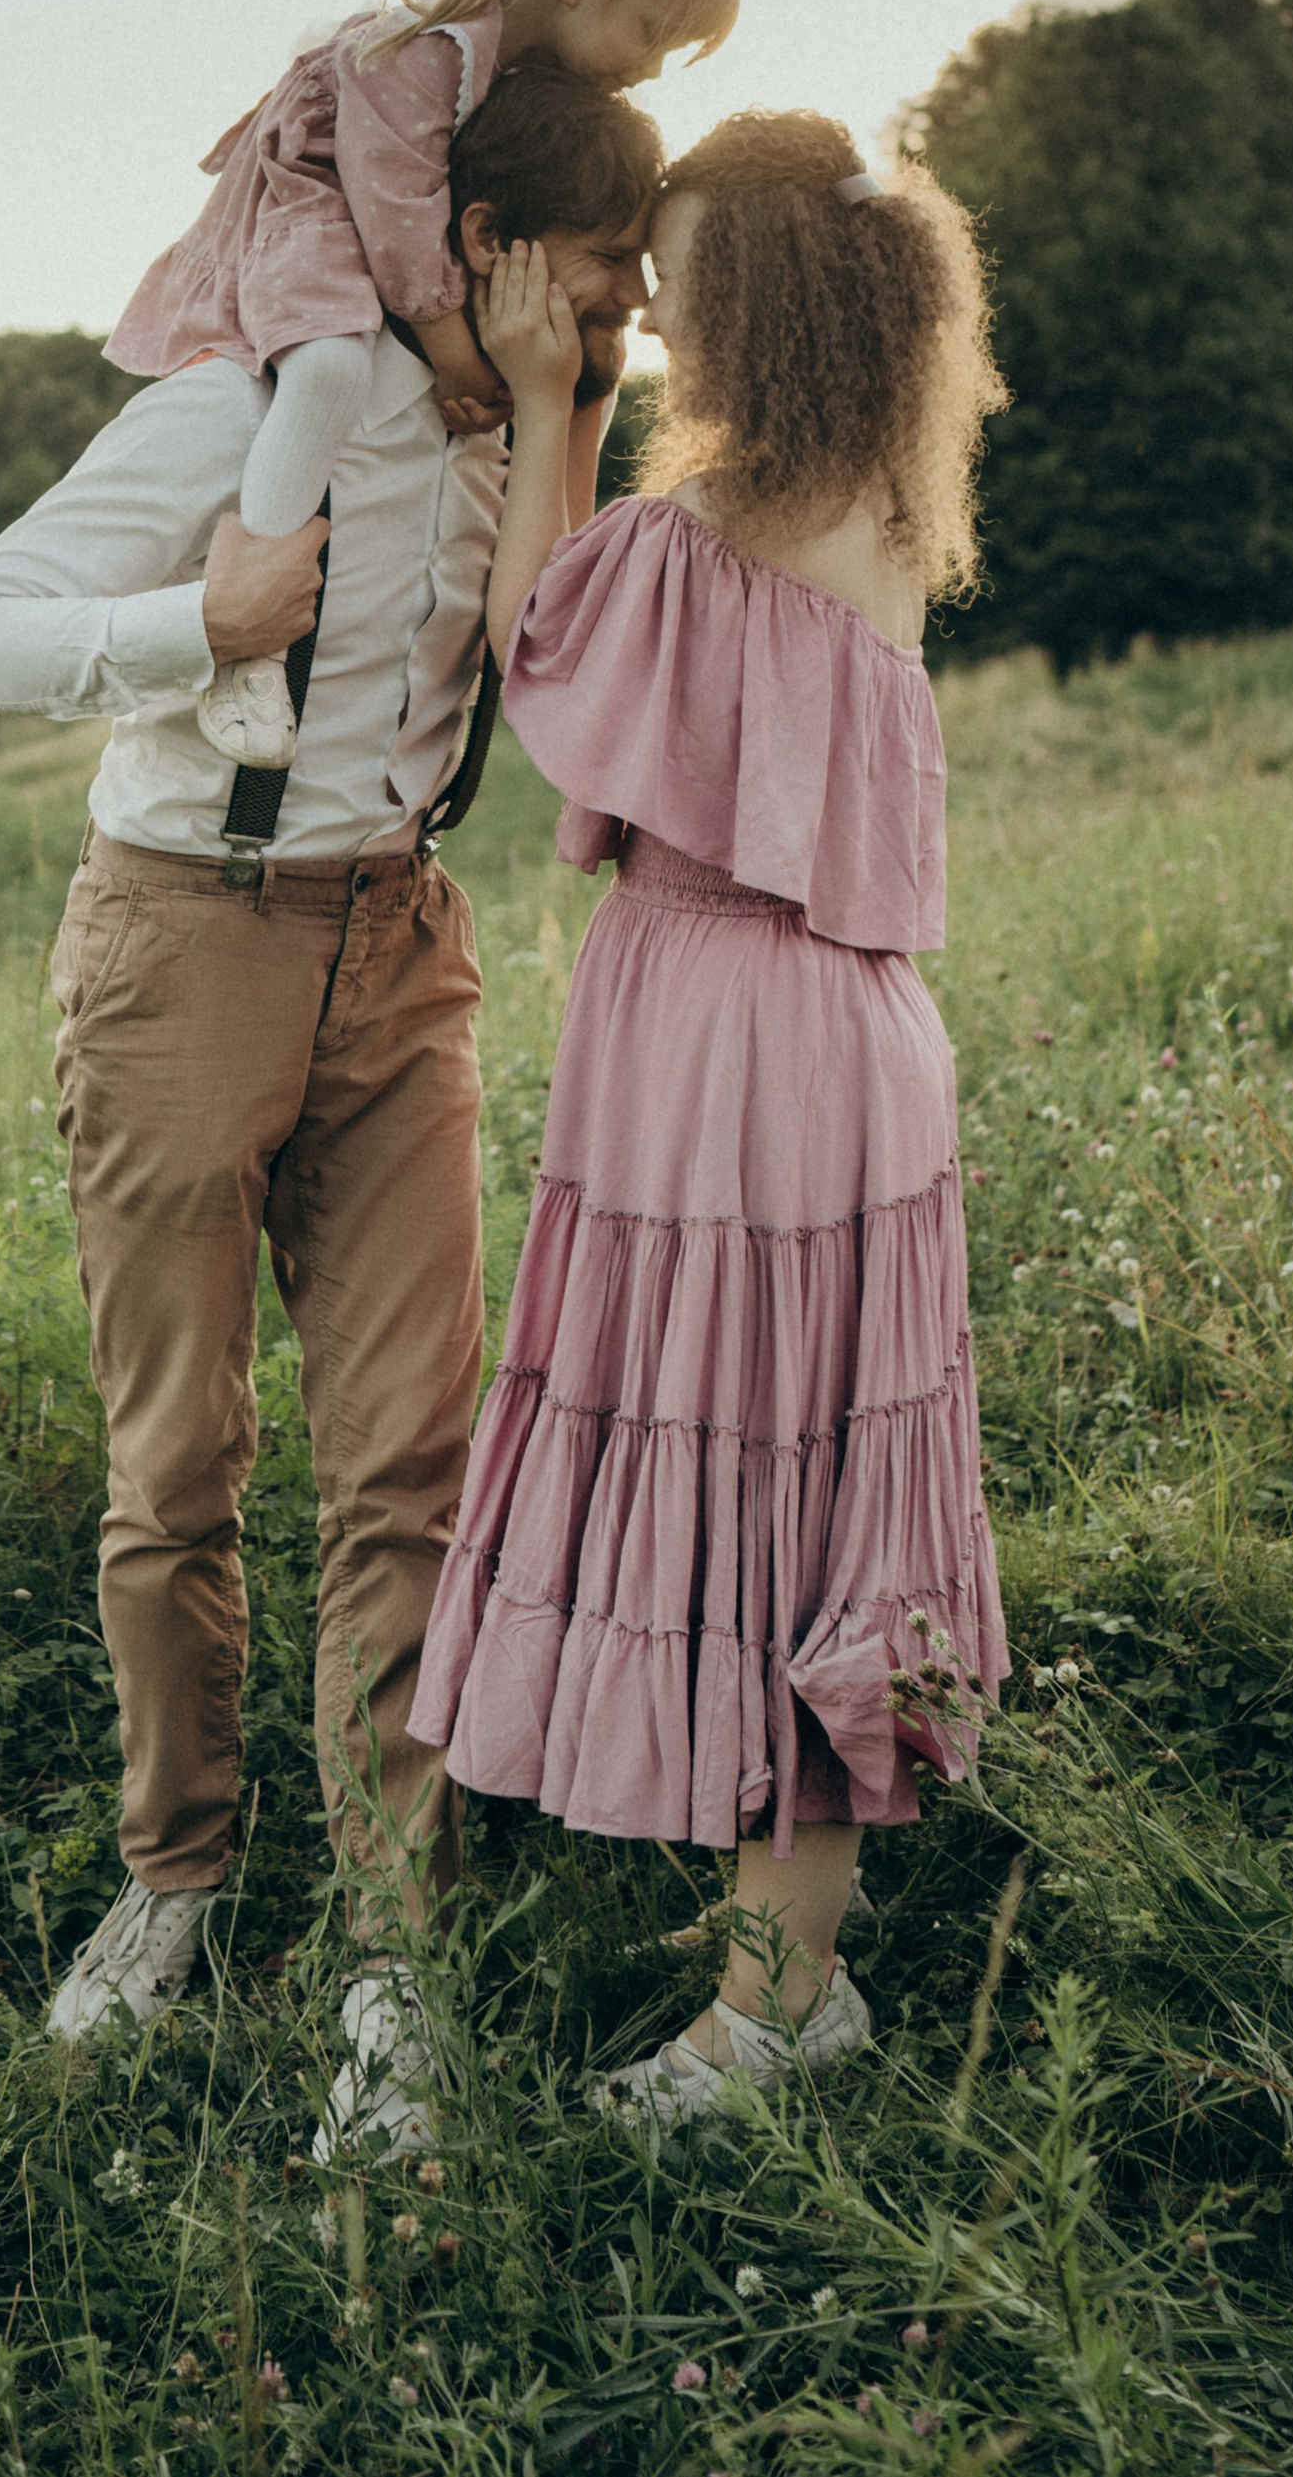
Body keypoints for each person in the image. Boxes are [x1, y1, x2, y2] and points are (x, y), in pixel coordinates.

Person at [0, 60, 666, 2151]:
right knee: (174, 1465)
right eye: (605, 287)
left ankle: (392, 1961)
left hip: (398, 950)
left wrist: (562, 410)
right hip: (183, 940)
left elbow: (563, 688)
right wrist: (200, 623)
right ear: (497, 252)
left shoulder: (527, 431)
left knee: (405, 1467)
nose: (624, 322)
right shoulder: (232, 407)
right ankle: (172, 1882)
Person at [410, 108, 1011, 2123]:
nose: (648, 301)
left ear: (750, 306)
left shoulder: (704, 531)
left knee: (755, 1487)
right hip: (835, 1035)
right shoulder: (871, 504)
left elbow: (535, 646)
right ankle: (779, 1929)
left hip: (736, 1049)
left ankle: (778, 2015)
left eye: (673, 275)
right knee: (808, 1472)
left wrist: (539, 396)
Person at [107, 0, 736, 771]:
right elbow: (401, 221)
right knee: (327, 371)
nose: (649, 68)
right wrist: (463, 364)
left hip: (369, 224)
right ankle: (249, 642)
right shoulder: (423, 50)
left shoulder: (509, 74)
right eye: (650, 33)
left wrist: (546, 388)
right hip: (315, 205)